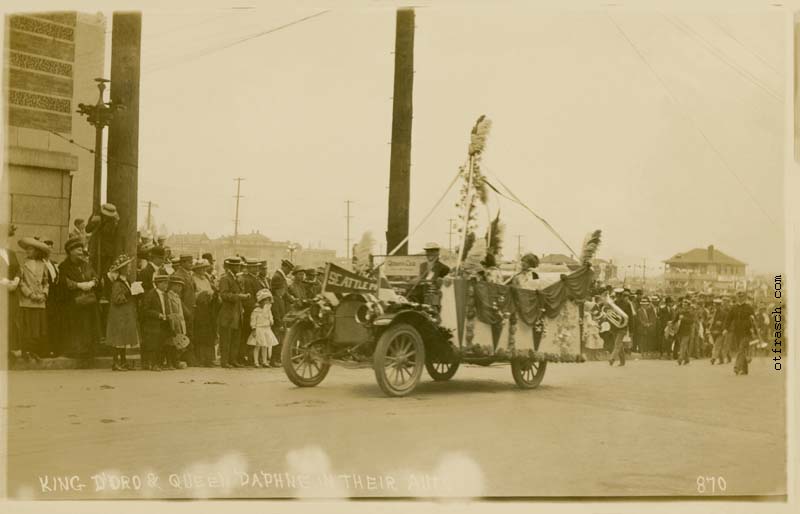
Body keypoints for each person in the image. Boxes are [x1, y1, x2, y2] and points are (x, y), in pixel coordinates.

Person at [59, 237, 101, 368]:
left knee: (89, 325)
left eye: (81, 248)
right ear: (70, 251)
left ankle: (89, 352)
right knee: (77, 326)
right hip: (73, 303)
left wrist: (93, 282)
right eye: (77, 249)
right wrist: (79, 285)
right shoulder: (64, 266)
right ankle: (76, 351)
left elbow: (96, 276)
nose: (80, 251)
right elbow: (64, 282)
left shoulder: (86, 264)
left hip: (89, 302)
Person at [17, 237, 50, 362]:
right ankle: (26, 351)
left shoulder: (43, 265)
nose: (27, 251)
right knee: (28, 327)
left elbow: (46, 282)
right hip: (28, 301)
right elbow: (21, 282)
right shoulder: (23, 265)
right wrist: (30, 294)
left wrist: (44, 294)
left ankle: (35, 351)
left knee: (37, 328)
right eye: (27, 249)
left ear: (37, 251)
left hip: (40, 301)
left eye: (30, 249)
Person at [104, 254, 140, 371]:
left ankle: (123, 361)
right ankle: (115, 362)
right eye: (128, 267)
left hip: (125, 313)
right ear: (122, 269)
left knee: (123, 338)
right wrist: (130, 293)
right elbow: (116, 299)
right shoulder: (118, 283)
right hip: (119, 314)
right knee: (118, 339)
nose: (129, 269)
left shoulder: (126, 281)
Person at [218, 257, 248, 368]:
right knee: (226, 338)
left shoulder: (237, 278)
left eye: (239, 266)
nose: (238, 268)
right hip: (228, 312)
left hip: (237, 312)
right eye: (236, 266)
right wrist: (238, 296)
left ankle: (233, 359)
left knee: (236, 337)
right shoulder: (225, 279)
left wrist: (242, 295)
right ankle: (225, 361)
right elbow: (224, 295)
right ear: (230, 267)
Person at [139, 273, 170, 371]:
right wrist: (158, 315)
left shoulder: (165, 295)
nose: (166, 286)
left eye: (167, 283)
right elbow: (145, 310)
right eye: (164, 283)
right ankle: (153, 364)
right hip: (153, 323)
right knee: (153, 344)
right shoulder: (151, 294)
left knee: (161, 343)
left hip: (163, 322)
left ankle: (159, 363)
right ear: (158, 284)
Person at [192, 259, 218, 367]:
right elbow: (193, 294)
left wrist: (211, 293)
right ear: (197, 270)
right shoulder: (193, 279)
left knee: (209, 333)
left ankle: (209, 359)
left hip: (208, 308)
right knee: (200, 334)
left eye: (204, 268)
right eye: (201, 269)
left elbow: (211, 289)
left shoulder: (206, 279)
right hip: (199, 308)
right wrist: (202, 294)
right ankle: (201, 358)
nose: (203, 270)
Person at [724, 291, 757, 376]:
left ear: (745, 298)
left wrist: (755, 331)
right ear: (737, 297)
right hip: (737, 332)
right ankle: (745, 370)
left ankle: (737, 367)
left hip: (747, 332)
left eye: (742, 297)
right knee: (741, 350)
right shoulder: (734, 307)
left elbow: (754, 320)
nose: (740, 298)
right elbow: (728, 319)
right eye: (739, 297)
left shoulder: (749, 307)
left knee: (741, 349)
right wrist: (725, 328)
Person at [172, 255, 197, 364]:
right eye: (189, 262)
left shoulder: (188, 274)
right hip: (183, 310)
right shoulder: (178, 275)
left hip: (191, 308)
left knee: (190, 333)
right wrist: (185, 311)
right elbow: (177, 296)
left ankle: (188, 358)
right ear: (182, 263)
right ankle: (181, 358)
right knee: (182, 334)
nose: (191, 264)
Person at [247, 289, 280, 367]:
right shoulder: (256, 311)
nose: (267, 302)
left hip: (266, 329)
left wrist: (271, 321)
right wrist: (254, 329)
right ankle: (256, 362)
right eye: (265, 301)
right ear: (261, 301)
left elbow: (271, 318)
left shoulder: (268, 310)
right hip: (259, 329)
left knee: (265, 346)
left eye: (268, 301)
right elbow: (253, 320)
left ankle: (265, 361)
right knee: (258, 346)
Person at [164, 275, 189, 370]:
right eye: (178, 286)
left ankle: (176, 361)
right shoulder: (168, 296)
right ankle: (170, 362)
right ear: (172, 286)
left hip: (180, 322)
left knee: (178, 343)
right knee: (171, 343)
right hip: (173, 322)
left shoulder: (177, 296)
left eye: (181, 286)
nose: (180, 288)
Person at [673, 298, 696, 365]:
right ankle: (687, 359)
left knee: (683, 345)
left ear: (688, 306)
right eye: (683, 304)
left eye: (686, 305)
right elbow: (675, 319)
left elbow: (691, 321)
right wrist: (671, 323)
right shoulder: (679, 311)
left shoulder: (690, 313)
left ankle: (680, 359)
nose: (684, 306)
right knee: (683, 345)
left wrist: (683, 319)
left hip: (687, 331)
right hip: (679, 331)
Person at [709, 297, 731, 365]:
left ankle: (713, 358)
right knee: (718, 345)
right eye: (715, 305)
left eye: (717, 305)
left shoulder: (723, 313)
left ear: (719, 305)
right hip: (713, 331)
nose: (715, 306)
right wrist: (710, 329)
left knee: (717, 345)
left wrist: (723, 329)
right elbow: (712, 322)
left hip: (721, 331)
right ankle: (724, 358)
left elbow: (725, 322)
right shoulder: (713, 312)